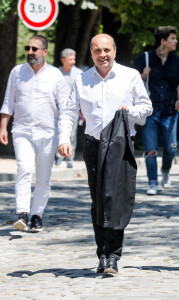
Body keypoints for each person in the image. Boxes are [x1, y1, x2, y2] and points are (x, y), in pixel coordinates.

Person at [58, 34, 152, 275]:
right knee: (98, 200)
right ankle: (102, 253)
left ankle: (113, 256)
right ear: (91, 53)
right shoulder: (82, 79)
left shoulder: (129, 75)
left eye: (107, 50)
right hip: (93, 146)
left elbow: (147, 106)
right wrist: (64, 138)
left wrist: (129, 110)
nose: (103, 55)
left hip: (121, 146)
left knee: (116, 201)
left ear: (115, 51)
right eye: (98, 50)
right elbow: (69, 111)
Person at [0, 35, 68, 232]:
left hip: (48, 131)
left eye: (34, 49)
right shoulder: (17, 72)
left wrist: (64, 137)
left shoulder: (55, 75)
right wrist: (3, 126)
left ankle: (37, 215)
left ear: (44, 52)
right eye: (28, 48)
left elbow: (65, 107)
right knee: (24, 168)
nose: (30, 51)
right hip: (22, 130)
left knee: (43, 177)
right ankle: (22, 213)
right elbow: (8, 101)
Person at [133, 26, 179, 195]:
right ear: (163, 41)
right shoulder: (145, 58)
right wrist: (143, 75)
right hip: (150, 112)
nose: (176, 41)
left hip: (170, 111)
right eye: (173, 38)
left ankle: (165, 171)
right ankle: (153, 182)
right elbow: (131, 83)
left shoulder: (176, 60)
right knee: (150, 149)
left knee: (171, 148)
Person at [55, 48, 83, 168]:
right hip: (56, 109)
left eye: (74, 59)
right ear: (63, 60)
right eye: (70, 59)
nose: (73, 61)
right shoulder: (56, 73)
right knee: (57, 132)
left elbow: (83, 93)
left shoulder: (79, 74)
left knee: (72, 133)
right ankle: (59, 155)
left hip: (73, 109)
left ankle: (70, 157)